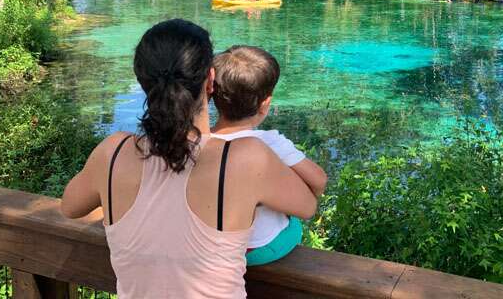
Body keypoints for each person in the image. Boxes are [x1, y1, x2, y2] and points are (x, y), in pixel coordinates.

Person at [60, 19, 317, 299]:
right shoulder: (245, 157)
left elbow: (71, 207)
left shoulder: (112, 152)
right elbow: (307, 205)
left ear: (142, 81)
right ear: (210, 81)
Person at [210, 45, 327, 266]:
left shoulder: (200, 140)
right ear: (265, 104)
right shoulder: (269, 142)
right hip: (256, 249)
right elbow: (319, 180)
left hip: (214, 246)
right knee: (293, 225)